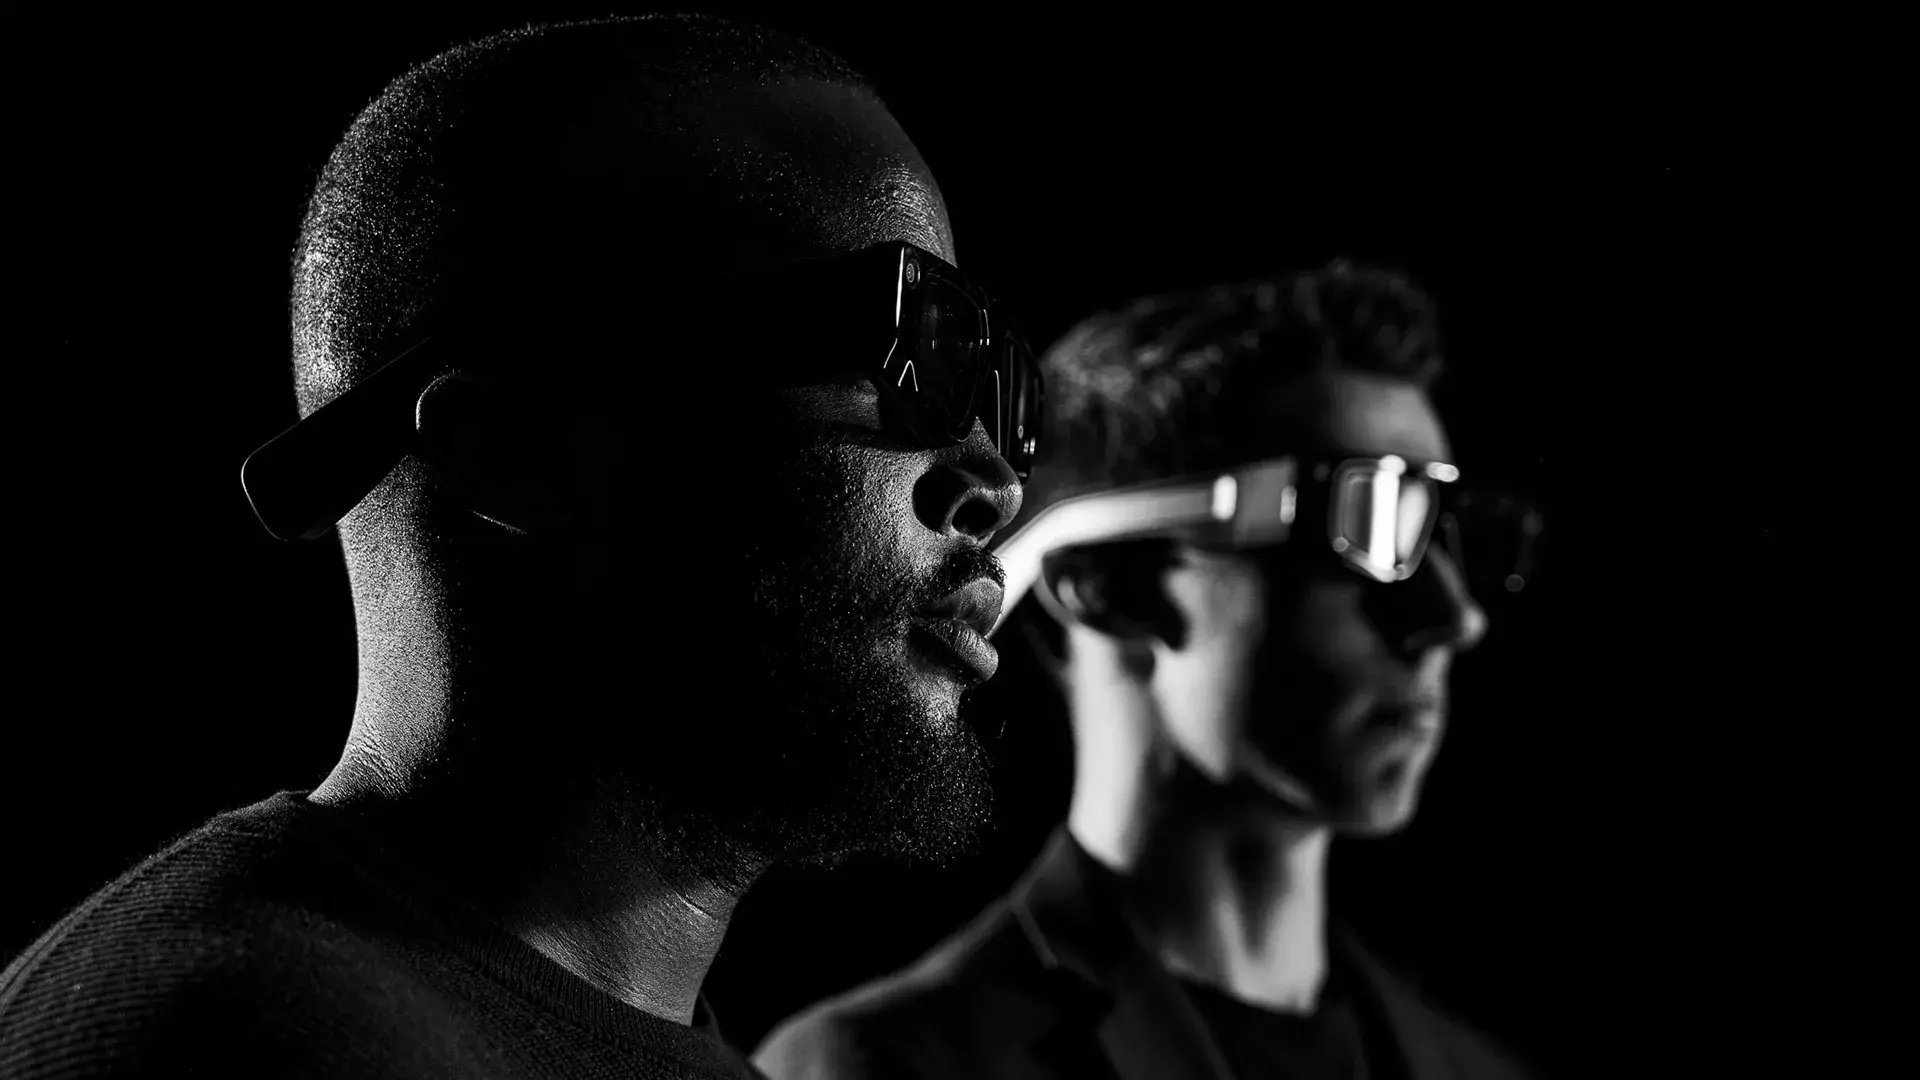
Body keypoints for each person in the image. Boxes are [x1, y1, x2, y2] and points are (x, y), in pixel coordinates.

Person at [0, 14, 1040, 1080]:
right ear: (514, 455)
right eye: (910, 352)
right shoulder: (231, 1044)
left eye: (999, 387)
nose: (995, 478)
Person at [756, 263, 1545, 1079]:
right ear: (1103, 583)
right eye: (1372, 517)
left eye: (1442, 531)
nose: (1455, 616)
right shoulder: (884, 1067)